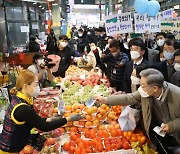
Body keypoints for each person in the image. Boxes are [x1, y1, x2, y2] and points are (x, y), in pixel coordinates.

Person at [94, 68, 180, 153]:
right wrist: (106, 100)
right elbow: (130, 98)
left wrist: (171, 126)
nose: (140, 88)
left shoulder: (177, 95)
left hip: (176, 135)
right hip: (158, 129)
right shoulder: (147, 92)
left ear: (155, 88)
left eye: (143, 86)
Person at [0, 70, 84, 153]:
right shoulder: (23, 108)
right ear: (26, 86)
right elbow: (44, 127)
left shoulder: (19, 99)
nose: (38, 87)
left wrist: (50, 119)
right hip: (10, 150)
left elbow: (34, 120)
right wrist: (69, 118)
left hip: (16, 144)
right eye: (36, 84)